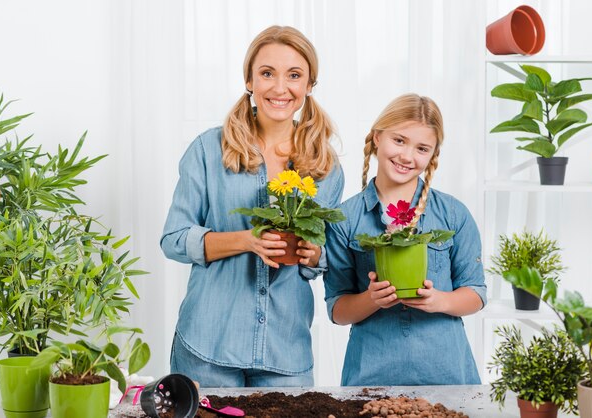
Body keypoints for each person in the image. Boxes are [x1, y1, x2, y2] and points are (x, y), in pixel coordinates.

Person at [160, 25, 344, 387]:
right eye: (267, 73)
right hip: (207, 345)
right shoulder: (208, 150)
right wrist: (248, 240)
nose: (280, 88)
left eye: (294, 75)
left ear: (309, 85)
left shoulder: (325, 165)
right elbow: (174, 239)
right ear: (249, 81)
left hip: (285, 352)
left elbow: (329, 257)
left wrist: (312, 254)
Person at [324, 93, 486, 386]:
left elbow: (476, 293)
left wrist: (440, 300)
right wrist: (371, 299)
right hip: (370, 378)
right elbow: (337, 309)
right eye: (399, 140)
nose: (407, 156)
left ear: (432, 156)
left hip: (446, 377)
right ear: (377, 137)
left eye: (422, 148)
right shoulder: (345, 219)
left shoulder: (453, 214)